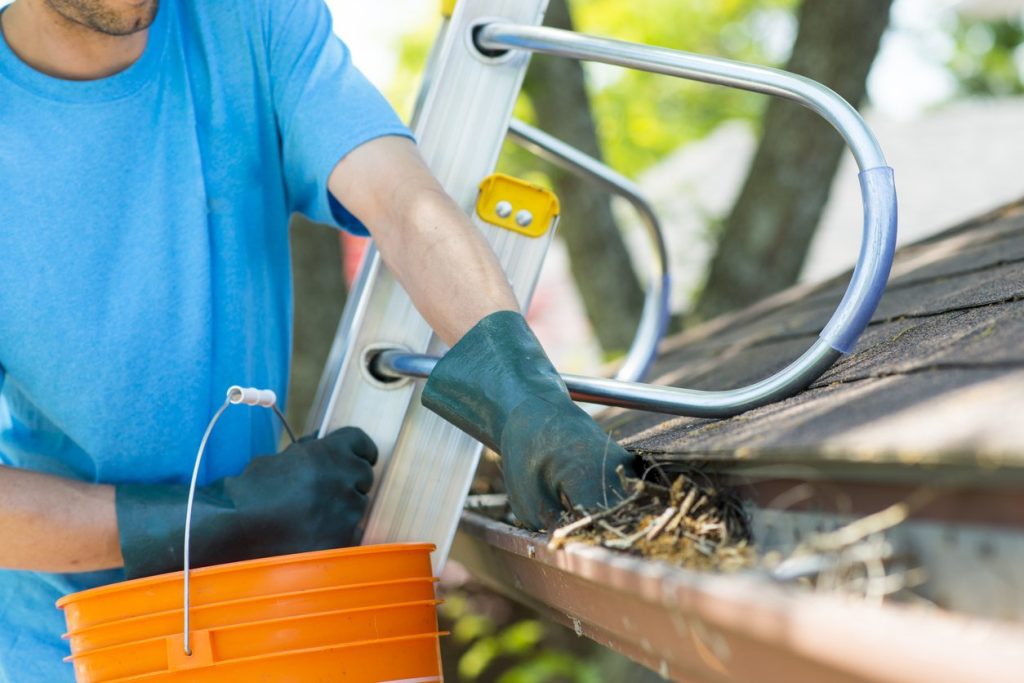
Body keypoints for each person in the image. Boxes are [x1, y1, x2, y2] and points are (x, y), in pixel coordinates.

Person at [0, 0, 635, 679]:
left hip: (262, 630)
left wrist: (518, 382)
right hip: (68, 653)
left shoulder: (248, 22)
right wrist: (218, 517)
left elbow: (401, 198)